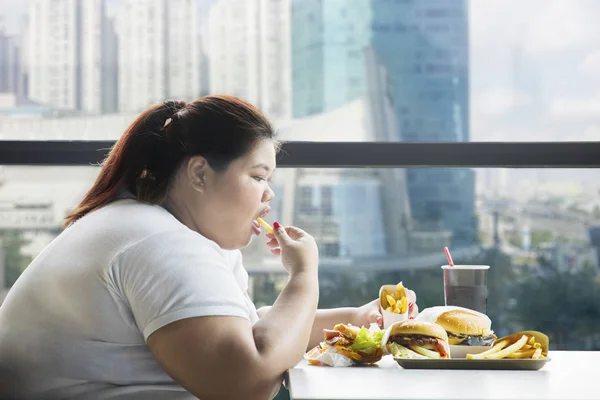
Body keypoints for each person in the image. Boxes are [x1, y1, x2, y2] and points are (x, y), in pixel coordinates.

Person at [0, 95, 418, 400]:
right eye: (257, 177)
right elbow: (245, 383)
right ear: (199, 173)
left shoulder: (157, 229)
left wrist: (357, 319)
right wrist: (304, 278)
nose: (268, 195)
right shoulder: (158, 244)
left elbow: (243, 330)